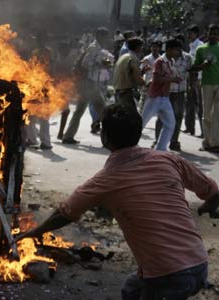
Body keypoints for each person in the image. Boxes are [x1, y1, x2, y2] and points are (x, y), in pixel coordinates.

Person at [16, 104, 219, 300]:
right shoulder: (171, 160)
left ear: (105, 137)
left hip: (166, 275)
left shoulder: (105, 180)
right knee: (131, 289)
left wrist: (36, 231)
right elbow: (212, 191)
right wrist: (207, 206)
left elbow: (65, 213)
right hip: (199, 264)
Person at [61, 27, 112, 144]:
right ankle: (109, 139)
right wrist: (99, 63)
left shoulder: (98, 48)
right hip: (89, 84)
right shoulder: (93, 48)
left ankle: (68, 136)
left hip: (89, 84)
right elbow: (85, 63)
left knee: (80, 111)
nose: (107, 39)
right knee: (104, 111)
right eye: (105, 37)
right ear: (100, 36)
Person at [141, 39, 182, 151]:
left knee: (170, 123)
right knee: (141, 123)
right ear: (169, 49)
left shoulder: (170, 61)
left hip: (164, 97)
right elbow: (156, 79)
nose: (178, 52)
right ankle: (127, 147)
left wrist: (174, 78)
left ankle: (161, 149)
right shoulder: (159, 62)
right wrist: (173, 79)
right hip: (155, 97)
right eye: (176, 50)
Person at [155, 36, 193, 151]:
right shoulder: (163, 59)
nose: (177, 50)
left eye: (179, 47)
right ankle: (158, 141)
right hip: (166, 92)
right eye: (175, 48)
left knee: (178, 116)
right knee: (162, 117)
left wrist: (191, 86)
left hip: (180, 92)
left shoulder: (188, 58)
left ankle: (174, 141)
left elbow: (191, 72)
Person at [191, 24, 219, 153]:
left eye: (215, 33)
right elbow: (194, 67)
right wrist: (203, 65)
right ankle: (207, 142)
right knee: (206, 114)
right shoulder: (201, 49)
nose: (213, 35)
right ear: (207, 34)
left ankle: (215, 142)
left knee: (217, 114)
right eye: (211, 33)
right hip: (206, 83)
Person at [24, 31, 53, 150]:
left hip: (42, 85)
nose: (37, 41)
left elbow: (48, 69)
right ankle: (34, 139)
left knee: (42, 115)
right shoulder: (36, 52)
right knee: (31, 113)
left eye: (39, 39)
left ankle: (43, 141)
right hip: (36, 84)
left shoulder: (46, 52)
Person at [113, 38, 146, 110]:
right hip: (125, 93)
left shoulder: (123, 56)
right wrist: (148, 83)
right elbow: (138, 80)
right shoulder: (133, 58)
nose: (142, 48)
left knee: (120, 115)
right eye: (141, 46)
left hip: (117, 91)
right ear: (138, 47)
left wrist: (142, 72)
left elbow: (128, 74)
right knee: (131, 118)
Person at [184, 24, 204, 136]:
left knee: (200, 105)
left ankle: (203, 131)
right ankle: (190, 128)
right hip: (190, 78)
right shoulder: (191, 45)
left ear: (196, 34)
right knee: (189, 103)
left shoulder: (200, 46)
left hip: (198, 79)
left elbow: (200, 64)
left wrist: (197, 80)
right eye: (188, 33)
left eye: (190, 33)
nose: (189, 35)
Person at [139, 41, 162, 111]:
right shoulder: (147, 58)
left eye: (156, 47)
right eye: (153, 47)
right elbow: (141, 71)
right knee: (143, 104)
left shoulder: (162, 59)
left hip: (158, 84)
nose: (154, 48)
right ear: (150, 48)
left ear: (159, 48)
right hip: (147, 84)